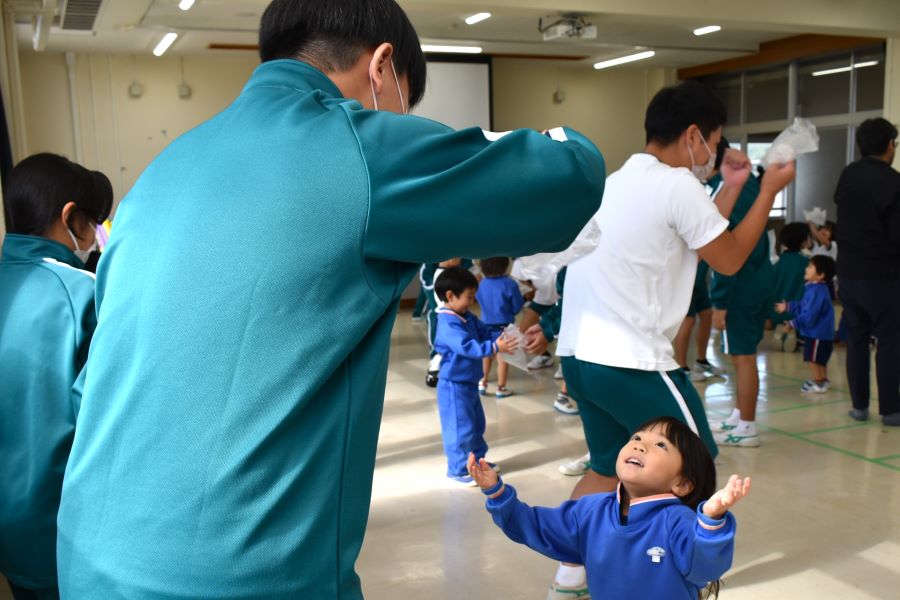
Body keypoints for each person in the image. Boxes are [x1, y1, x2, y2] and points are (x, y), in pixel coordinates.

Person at [54, 1, 606, 598]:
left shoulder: (163, 170)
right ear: (382, 66)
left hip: (88, 547)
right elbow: (571, 178)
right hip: (230, 575)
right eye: (405, 104)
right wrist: (549, 135)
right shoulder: (358, 146)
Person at [527, 80, 793, 599]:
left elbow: (699, 228)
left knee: (608, 468)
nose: (715, 153)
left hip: (582, 357)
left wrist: (733, 185)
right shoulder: (677, 186)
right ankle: (681, 577)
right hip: (632, 359)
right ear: (694, 135)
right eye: (714, 141)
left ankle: (569, 577)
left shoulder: (616, 182)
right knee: (693, 466)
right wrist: (768, 190)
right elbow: (731, 256)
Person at [468, 416, 751, 599]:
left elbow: (705, 568)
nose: (640, 446)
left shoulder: (679, 521)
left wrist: (712, 521)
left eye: (660, 445)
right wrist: (498, 493)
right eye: (637, 438)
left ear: (682, 483)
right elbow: (537, 527)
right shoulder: (591, 510)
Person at [0, 153, 112, 599]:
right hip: (64, 531)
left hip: (11, 534)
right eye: (93, 223)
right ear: (71, 218)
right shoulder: (82, 295)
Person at [834, 117, 900, 426]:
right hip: (883, 276)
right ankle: (890, 410)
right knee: (889, 341)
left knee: (857, 339)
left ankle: (859, 406)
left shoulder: (848, 176)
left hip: (848, 273)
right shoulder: (893, 182)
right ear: (890, 146)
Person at [707, 164, 775, 449]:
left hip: (740, 287)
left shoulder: (727, 189)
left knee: (743, 356)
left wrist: (720, 300)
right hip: (758, 281)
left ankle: (747, 425)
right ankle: (739, 414)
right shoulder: (748, 186)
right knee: (742, 355)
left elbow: (727, 250)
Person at [434, 267, 516, 485]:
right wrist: (494, 347)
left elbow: (484, 331)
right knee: (461, 429)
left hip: (468, 382)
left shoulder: (466, 316)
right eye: (469, 297)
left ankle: (477, 461)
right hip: (453, 386)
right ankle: (458, 469)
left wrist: (502, 336)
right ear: (450, 296)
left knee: (477, 424)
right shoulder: (447, 322)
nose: (472, 301)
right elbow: (467, 347)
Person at [775, 256, 836, 393]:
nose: (806, 269)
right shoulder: (815, 288)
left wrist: (792, 323)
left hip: (817, 334)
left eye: (810, 267)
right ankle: (823, 380)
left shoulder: (816, 291)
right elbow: (804, 306)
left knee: (813, 359)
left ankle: (818, 382)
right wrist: (789, 306)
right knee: (820, 359)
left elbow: (809, 315)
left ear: (820, 275)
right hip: (822, 334)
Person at [476, 257, 524, 398]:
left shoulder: (481, 284)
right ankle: (501, 388)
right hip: (504, 327)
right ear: (505, 266)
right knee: (503, 357)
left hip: (485, 324)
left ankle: (482, 382)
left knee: (487, 354)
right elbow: (517, 306)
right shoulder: (510, 284)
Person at [769, 222, 812, 350]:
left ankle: (781, 330)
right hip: (797, 313)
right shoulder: (808, 264)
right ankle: (794, 332)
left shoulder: (776, 262)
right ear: (804, 242)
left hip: (775, 311)